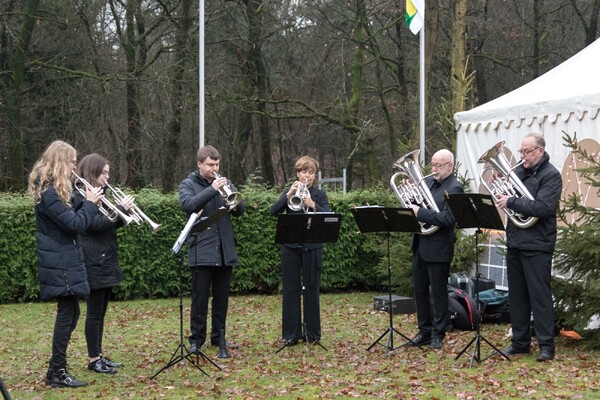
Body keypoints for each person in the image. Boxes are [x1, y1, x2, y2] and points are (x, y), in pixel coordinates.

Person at [27, 141, 103, 388]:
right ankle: (57, 372)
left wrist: (87, 201)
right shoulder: (49, 192)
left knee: (72, 313)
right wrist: (90, 204)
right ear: (61, 162)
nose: (74, 166)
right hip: (59, 261)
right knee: (67, 314)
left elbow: (70, 215)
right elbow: (73, 224)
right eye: (72, 161)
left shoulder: (55, 191)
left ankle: (55, 370)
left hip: (64, 259)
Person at [495, 133, 562, 362]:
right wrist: (501, 185)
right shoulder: (518, 172)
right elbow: (510, 199)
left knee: (539, 297)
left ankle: (546, 346)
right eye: (521, 151)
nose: (522, 156)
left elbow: (544, 208)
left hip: (538, 244)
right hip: (516, 241)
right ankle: (520, 343)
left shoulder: (551, 175)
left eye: (526, 152)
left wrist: (511, 201)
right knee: (518, 297)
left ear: (540, 151)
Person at [178, 145, 245, 354]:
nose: (214, 168)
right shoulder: (187, 184)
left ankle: (219, 338)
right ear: (199, 164)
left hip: (225, 249)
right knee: (199, 299)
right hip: (202, 249)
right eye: (210, 165)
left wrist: (230, 196)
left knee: (221, 298)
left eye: (217, 164)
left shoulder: (225, 182)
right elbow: (189, 205)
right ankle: (196, 341)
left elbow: (240, 210)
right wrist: (212, 189)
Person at [74, 153, 134, 374]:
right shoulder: (81, 195)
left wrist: (122, 214)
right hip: (92, 259)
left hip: (105, 256)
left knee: (101, 311)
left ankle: (98, 354)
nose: (107, 177)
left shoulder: (98, 194)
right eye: (104, 173)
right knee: (95, 312)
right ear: (93, 171)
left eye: (108, 173)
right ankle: (93, 358)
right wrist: (119, 212)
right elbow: (95, 225)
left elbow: (107, 224)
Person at [406, 149, 464, 350]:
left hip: (439, 248)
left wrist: (419, 211)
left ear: (450, 166)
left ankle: (439, 333)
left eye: (439, 165)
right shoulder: (428, 183)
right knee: (420, 291)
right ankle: (424, 331)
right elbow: (416, 208)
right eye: (433, 164)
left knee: (438, 293)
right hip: (420, 244)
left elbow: (448, 219)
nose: (434, 169)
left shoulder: (455, 188)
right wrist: (411, 200)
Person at [270, 156, 331, 346]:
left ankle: (313, 334)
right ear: (297, 173)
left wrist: (313, 205)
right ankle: (291, 334)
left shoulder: (320, 195)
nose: (307, 176)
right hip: (290, 247)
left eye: (311, 172)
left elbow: (329, 217)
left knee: (312, 289)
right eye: (304, 172)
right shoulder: (290, 192)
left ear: (315, 175)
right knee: (290, 289)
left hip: (313, 246)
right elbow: (274, 211)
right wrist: (288, 195)